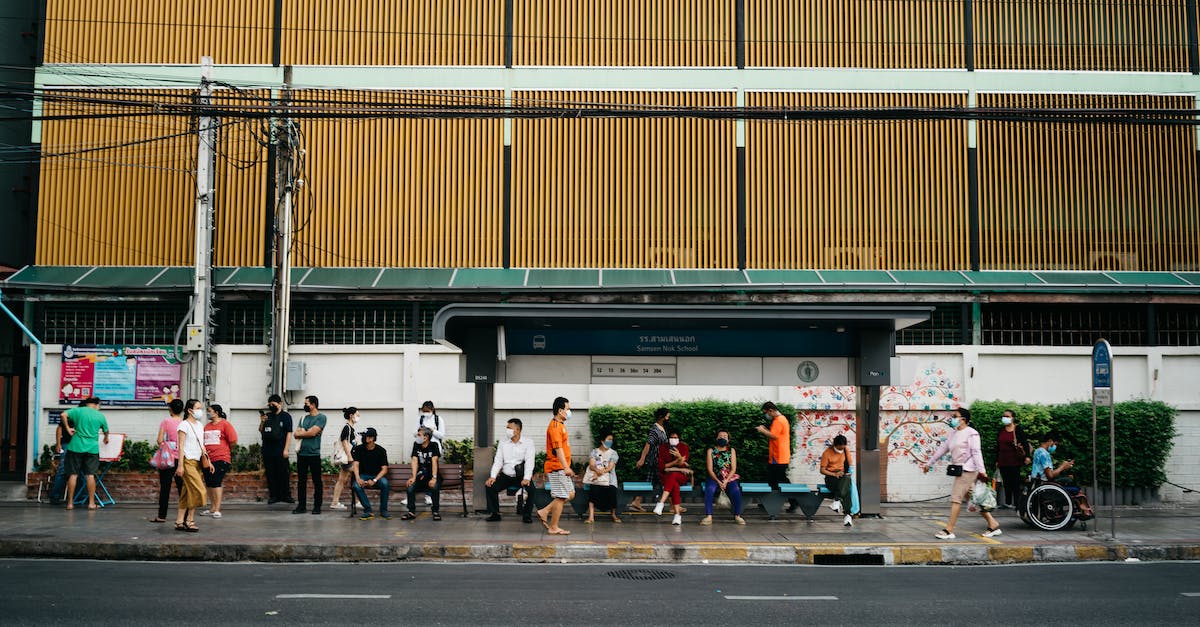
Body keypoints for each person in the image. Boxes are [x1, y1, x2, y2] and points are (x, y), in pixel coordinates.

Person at [922, 407, 1001, 540]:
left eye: (955, 416)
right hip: (959, 469)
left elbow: (976, 452)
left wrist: (982, 471)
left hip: (968, 470)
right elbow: (943, 449)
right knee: (974, 499)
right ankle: (993, 524)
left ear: (963, 419)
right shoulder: (953, 434)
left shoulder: (972, 433)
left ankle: (949, 530)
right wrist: (929, 463)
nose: (952, 418)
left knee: (955, 498)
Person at [535, 396, 574, 535]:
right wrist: (566, 467)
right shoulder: (555, 427)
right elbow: (558, 450)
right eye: (568, 409)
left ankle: (544, 511)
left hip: (560, 466)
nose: (569, 412)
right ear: (560, 410)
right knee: (562, 496)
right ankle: (553, 527)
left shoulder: (561, 425)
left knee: (570, 494)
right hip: (557, 467)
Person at [63, 396, 109, 511]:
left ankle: (70, 504)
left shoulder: (78, 411)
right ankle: (91, 503)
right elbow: (106, 430)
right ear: (97, 405)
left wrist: (68, 428)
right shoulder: (100, 415)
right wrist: (106, 438)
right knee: (90, 475)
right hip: (92, 449)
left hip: (75, 446)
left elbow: (63, 414)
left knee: (73, 475)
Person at [485, 418, 536, 523]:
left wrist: (526, 478)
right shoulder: (503, 443)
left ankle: (527, 515)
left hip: (520, 476)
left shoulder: (528, 443)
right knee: (490, 486)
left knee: (532, 490)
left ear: (517, 430)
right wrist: (493, 476)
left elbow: (530, 462)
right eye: (507, 428)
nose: (507, 430)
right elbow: (498, 461)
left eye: (509, 428)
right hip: (506, 476)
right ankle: (495, 514)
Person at [174, 399, 212, 532]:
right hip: (187, 461)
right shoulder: (183, 425)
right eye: (198, 408)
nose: (200, 411)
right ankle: (189, 520)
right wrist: (180, 465)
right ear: (190, 410)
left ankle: (179, 521)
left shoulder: (200, 425)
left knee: (186, 492)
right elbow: (181, 446)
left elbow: (202, 445)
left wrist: (209, 460)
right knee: (198, 490)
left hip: (197, 462)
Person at [756, 401, 798, 512]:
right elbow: (775, 435)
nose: (767, 415)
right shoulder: (780, 420)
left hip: (778, 457)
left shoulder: (779, 420)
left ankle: (794, 501)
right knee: (773, 480)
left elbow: (774, 436)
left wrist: (762, 430)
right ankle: (769, 502)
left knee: (780, 480)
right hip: (778, 456)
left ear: (771, 410)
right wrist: (765, 430)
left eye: (766, 413)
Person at [629, 407, 670, 512]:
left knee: (652, 482)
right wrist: (642, 459)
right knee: (666, 481)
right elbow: (648, 444)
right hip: (655, 461)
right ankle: (674, 506)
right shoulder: (655, 429)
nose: (668, 418)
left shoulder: (661, 428)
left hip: (660, 460)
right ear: (661, 416)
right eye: (667, 416)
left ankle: (636, 502)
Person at [200, 403, 237, 519]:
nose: (207, 413)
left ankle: (217, 509)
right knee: (209, 483)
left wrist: (224, 450)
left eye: (209, 411)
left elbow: (233, 441)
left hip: (221, 458)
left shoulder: (225, 424)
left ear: (216, 412)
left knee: (216, 482)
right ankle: (212, 508)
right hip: (207, 460)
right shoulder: (207, 426)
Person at [701, 430, 745, 525]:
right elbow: (710, 469)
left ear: (728, 440)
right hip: (714, 477)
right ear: (716, 438)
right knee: (709, 489)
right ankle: (709, 516)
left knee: (736, 490)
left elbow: (733, 468)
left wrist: (726, 481)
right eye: (720, 436)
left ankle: (737, 515)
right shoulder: (711, 451)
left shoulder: (731, 450)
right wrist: (718, 481)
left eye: (725, 436)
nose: (722, 438)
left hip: (728, 477)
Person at [293, 395, 327, 515]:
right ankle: (301, 506)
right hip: (301, 454)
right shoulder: (303, 418)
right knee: (301, 481)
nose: (305, 405)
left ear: (313, 405)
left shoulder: (321, 417)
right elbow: (295, 434)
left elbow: (313, 433)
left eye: (306, 403)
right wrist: (306, 433)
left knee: (317, 481)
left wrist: (304, 432)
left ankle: (317, 507)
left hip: (314, 454)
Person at [406, 400, 443, 507]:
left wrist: (431, 431)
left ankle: (429, 495)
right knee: (421, 470)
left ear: (432, 410)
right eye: (424, 411)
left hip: (434, 448)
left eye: (428, 411)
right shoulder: (420, 419)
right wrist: (420, 431)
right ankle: (411, 493)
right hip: (422, 447)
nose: (425, 413)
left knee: (431, 469)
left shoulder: (438, 419)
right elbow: (414, 433)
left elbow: (442, 435)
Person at [259, 393, 294, 505]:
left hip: (280, 450)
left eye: (273, 404)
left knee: (283, 473)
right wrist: (262, 421)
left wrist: (286, 449)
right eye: (270, 404)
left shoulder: (286, 416)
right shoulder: (267, 416)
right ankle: (274, 496)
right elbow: (260, 430)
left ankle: (286, 495)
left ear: (280, 404)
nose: (271, 406)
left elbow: (289, 433)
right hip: (268, 450)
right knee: (271, 474)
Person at [402, 426, 442, 521]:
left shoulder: (434, 445)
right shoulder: (416, 445)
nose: (417, 437)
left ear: (426, 437)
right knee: (410, 487)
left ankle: (435, 511)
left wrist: (434, 477)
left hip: (432, 474)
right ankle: (411, 511)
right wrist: (413, 477)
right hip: (421, 475)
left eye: (419, 435)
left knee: (434, 487)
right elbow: (414, 461)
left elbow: (434, 461)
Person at [350, 427, 391, 520]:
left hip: (377, 476)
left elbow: (384, 469)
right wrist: (358, 478)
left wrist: (374, 480)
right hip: (363, 475)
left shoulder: (381, 450)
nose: (363, 438)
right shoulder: (358, 449)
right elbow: (355, 465)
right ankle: (368, 510)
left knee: (385, 484)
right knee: (356, 485)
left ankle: (383, 510)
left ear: (372, 438)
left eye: (365, 436)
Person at [653, 431, 692, 525]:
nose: (673, 439)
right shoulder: (663, 447)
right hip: (666, 476)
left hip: (681, 475)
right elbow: (662, 466)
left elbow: (684, 464)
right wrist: (676, 462)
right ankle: (677, 516)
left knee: (673, 475)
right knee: (675, 486)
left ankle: (661, 503)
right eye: (671, 437)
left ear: (679, 439)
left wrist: (678, 457)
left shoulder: (684, 447)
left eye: (675, 437)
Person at [995, 408, 1032, 509]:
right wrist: (997, 460)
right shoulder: (1001, 430)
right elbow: (998, 446)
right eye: (1004, 416)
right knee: (1006, 483)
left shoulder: (1017, 429)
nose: (1005, 418)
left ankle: (1016, 503)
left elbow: (1025, 443)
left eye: (1007, 416)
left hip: (1014, 460)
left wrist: (1027, 456)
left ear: (1013, 418)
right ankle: (1007, 502)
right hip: (1003, 460)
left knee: (1015, 482)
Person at [584, 433, 621, 524]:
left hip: (610, 479)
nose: (610, 441)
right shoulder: (595, 452)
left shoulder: (613, 453)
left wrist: (600, 473)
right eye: (608, 439)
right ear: (602, 441)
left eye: (611, 440)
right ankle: (591, 516)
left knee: (612, 491)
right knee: (593, 491)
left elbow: (610, 467)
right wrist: (597, 471)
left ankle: (613, 514)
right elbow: (592, 465)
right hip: (596, 478)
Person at [819, 434, 855, 527]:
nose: (841, 450)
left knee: (846, 480)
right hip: (831, 477)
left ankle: (837, 500)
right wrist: (834, 474)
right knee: (846, 489)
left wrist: (848, 472)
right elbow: (822, 470)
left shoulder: (845, 450)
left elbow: (850, 464)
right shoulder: (827, 453)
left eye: (843, 448)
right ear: (835, 445)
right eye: (839, 448)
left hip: (842, 476)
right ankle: (848, 515)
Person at [329, 407, 359, 510]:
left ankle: (335, 502)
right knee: (356, 475)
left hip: (348, 458)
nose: (358, 417)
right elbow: (344, 441)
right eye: (357, 415)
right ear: (351, 415)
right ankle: (358, 501)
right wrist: (350, 456)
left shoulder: (351, 428)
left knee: (342, 480)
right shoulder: (347, 427)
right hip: (348, 458)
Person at [49, 415, 74, 505]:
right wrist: (58, 444)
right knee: (63, 470)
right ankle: (55, 496)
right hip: (67, 444)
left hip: (79, 445)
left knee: (78, 471)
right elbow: (59, 428)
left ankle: (79, 496)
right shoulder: (71, 416)